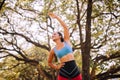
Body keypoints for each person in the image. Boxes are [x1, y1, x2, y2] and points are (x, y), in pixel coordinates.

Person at [48, 12, 82, 80]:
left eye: (55, 34)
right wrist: (57, 67)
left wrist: (56, 17)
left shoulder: (66, 41)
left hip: (74, 69)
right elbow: (49, 62)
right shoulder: (53, 50)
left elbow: (65, 28)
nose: (53, 36)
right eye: (52, 35)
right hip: (64, 71)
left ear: (60, 36)